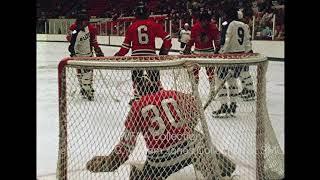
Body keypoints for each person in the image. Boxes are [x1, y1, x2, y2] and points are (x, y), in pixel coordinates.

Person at [86, 64, 236, 179]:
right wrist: (188, 123)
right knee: (201, 142)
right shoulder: (173, 94)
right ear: (157, 86)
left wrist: (112, 162)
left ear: (139, 91)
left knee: (139, 174)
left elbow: (126, 144)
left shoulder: (137, 107)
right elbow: (195, 109)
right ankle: (222, 169)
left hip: (160, 161)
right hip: (191, 149)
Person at [114, 1, 172, 105]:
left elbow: (126, 47)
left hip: (136, 56)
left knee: (136, 79)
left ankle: (137, 99)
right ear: (147, 13)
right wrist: (164, 51)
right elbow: (167, 38)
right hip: (151, 56)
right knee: (155, 79)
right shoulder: (154, 24)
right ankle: (158, 99)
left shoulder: (132, 27)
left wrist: (118, 55)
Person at [213, 7, 252, 118]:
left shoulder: (228, 23)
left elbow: (226, 39)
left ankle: (224, 105)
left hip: (228, 56)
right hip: (240, 56)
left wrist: (220, 52)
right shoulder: (244, 25)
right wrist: (248, 52)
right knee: (232, 80)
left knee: (219, 79)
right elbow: (247, 41)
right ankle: (233, 105)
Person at [66, 9, 104, 101]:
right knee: (83, 72)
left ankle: (86, 88)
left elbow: (93, 41)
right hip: (79, 54)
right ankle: (85, 87)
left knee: (87, 72)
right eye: (86, 21)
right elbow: (70, 40)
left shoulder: (89, 28)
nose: (87, 22)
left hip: (87, 53)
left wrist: (98, 50)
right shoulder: (76, 29)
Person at [183, 11, 221, 95]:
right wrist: (187, 48)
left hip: (208, 52)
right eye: (203, 21)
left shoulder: (212, 27)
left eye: (207, 21)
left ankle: (212, 90)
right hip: (198, 52)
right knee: (195, 72)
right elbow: (192, 40)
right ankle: (195, 90)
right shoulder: (196, 27)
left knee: (210, 72)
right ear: (200, 20)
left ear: (209, 21)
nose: (205, 23)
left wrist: (217, 50)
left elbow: (217, 41)